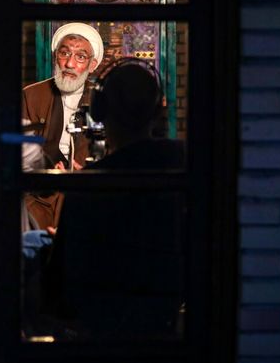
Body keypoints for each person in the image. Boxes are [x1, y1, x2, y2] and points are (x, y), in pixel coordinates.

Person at [40, 58, 186, 339]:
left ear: (100, 110)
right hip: (162, 310)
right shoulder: (180, 162)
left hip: (102, 319)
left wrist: (65, 238)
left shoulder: (90, 185)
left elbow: (60, 286)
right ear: (157, 112)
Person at [22, 22, 105, 230]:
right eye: (64, 53)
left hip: (85, 192)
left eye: (80, 57)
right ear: (55, 57)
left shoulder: (103, 100)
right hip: (39, 194)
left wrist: (87, 172)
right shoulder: (31, 95)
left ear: (92, 65)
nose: (69, 63)